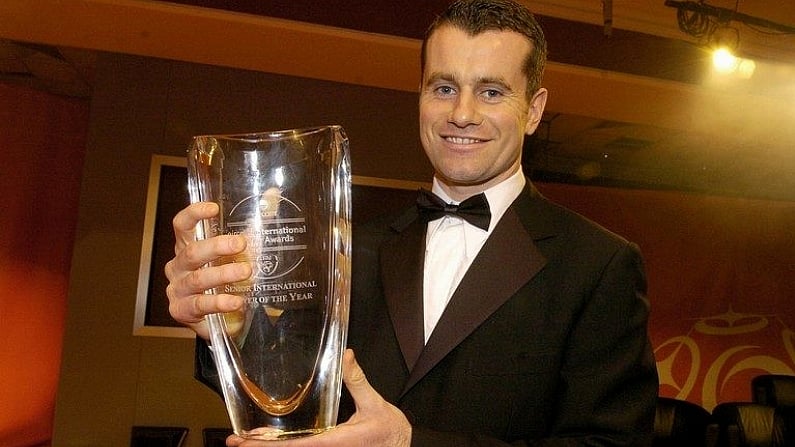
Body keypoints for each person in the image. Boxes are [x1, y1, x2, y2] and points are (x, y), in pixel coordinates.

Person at [165, 0, 659, 445]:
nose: (461, 114)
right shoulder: (356, 249)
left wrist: (408, 443)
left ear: (533, 110)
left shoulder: (599, 264)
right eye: (443, 87)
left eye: (491, 92)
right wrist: (226, 326)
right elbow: (294, 384)